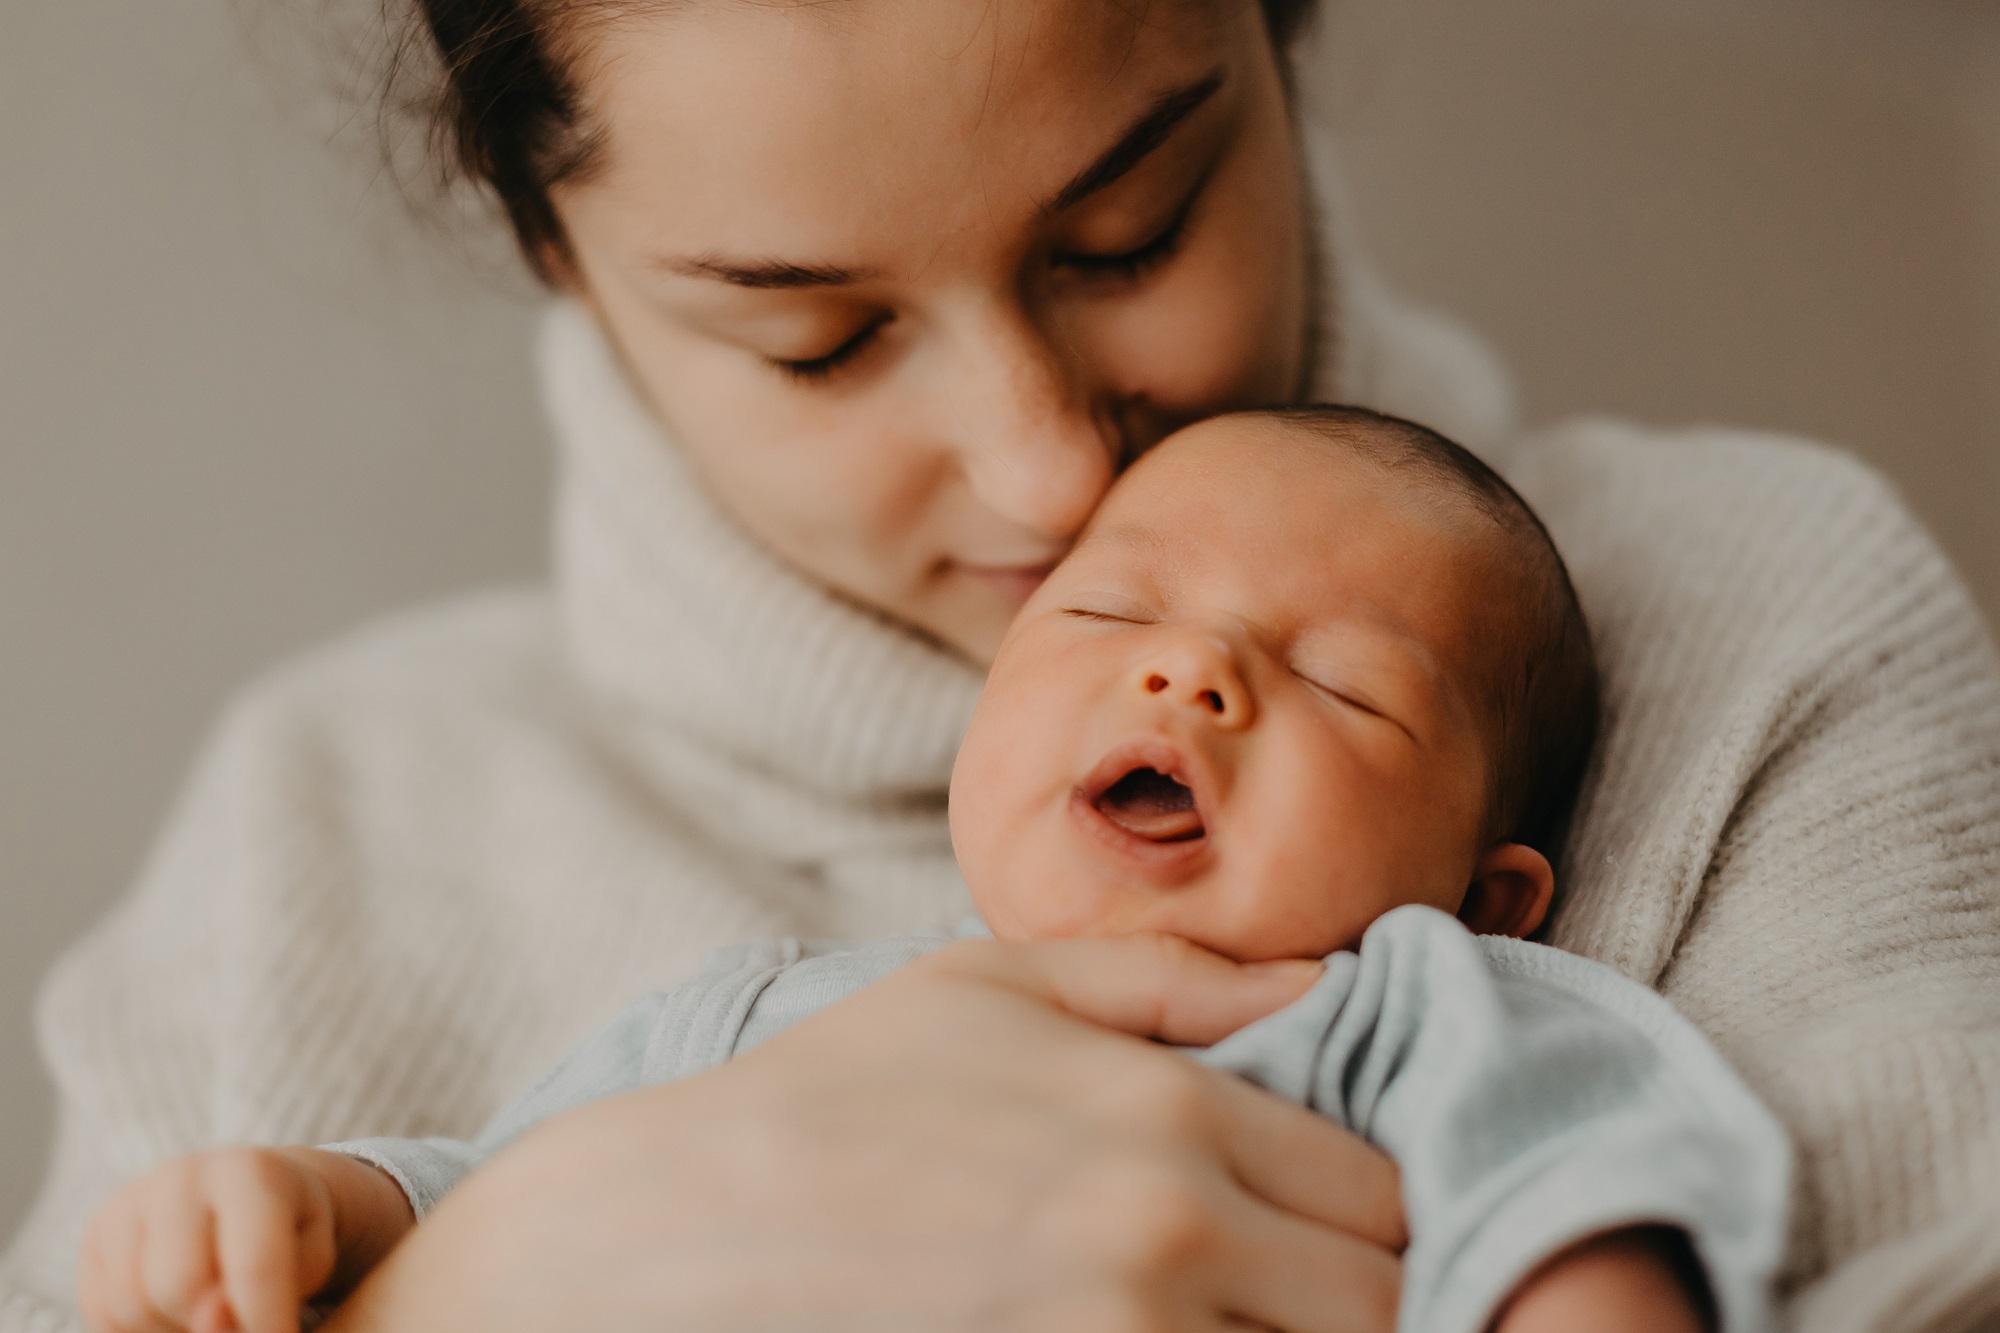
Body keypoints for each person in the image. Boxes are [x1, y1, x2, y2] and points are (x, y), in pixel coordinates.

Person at [4, 0, 1997, 1329]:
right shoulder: (321, 820)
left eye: (1125, 230)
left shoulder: (1751, 616)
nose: (1050, 468)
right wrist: (503, 1281)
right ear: (559, 248)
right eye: (821, 340)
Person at [74, 407, 1793, 1333]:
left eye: (1341, 683)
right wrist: (324, 1209)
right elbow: (511, 1200)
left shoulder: (1417, 1010)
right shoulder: (758, 1018)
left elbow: (1585, 1194)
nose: (1188, 676)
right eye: (1114, 611)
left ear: (1486, 893)